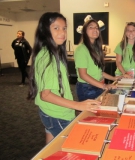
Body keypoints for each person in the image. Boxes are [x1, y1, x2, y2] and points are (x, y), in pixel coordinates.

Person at [27, 12, 100, 144]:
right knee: (72, 146)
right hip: (57, 114)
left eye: (64, 28)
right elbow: (46, 95)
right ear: (45, 31)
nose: (62, 32)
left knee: (51, 147)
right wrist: (78, 105)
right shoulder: (47, 56)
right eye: (56, 28)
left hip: (50, 112)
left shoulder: (50, 52)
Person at [74, 19, 118, 102]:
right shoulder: (81, 49)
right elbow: (83, 75)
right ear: (84, 31)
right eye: (91, 27)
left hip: (97, 85)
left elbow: (99, 72)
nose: (95, 30)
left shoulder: (96, 49)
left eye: (97, 28)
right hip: (87, 88)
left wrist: (114, 78)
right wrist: (104, 86)